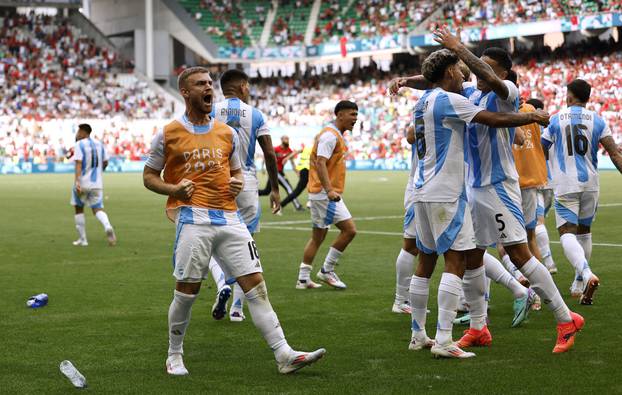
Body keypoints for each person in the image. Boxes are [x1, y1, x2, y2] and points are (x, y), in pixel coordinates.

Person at [142, 66, 325, 376]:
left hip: (230, 218)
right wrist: (173, 189)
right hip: (193, 219)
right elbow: (148, 176)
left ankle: (284, 354)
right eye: (200, 84)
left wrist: (238, 182)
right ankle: (174, 354)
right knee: (186, 292)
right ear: (185, 92)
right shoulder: (169, 133)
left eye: (210, 83)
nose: (208, 88)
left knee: (257, 286)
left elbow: (237, 171)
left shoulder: (226, 133)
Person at [432, 26, 583, 353]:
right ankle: (478, 327)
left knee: (519, 253)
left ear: (500, 72)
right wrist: (406, 82)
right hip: (474, 189)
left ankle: (564, 318)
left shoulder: (508, 91)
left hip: (500, 187)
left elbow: (491, 78)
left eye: (485, 67)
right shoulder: (471, 93)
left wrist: (459, 47)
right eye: (476, 67)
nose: (477, 72)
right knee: (472, 256)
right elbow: (440, 81)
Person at [406, 48, 551, 358]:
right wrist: (533, 116)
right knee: (457, 260)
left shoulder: (421, 103)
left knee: (425, 262)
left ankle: (418, 333)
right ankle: (444, 340)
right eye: (460, 70)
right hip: (446, 192)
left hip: (420, 191)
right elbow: (495, 118)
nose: (464, 75)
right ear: (448, 74)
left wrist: (405, 81)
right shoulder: (451, 100)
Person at [207, 69, 281, 323]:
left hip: (215, 182)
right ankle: (237, 309)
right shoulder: (257, 115)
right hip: (246, 182)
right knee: (246, 245)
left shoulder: (211, 111)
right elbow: (270, 154)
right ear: (242, 86)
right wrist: (274, 188)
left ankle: (222, 284)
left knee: (212, 242)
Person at [542, 78, 622, 305]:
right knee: (584, 232)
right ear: (587, 98)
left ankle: (586, 274)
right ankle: (578, 283)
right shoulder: (598, 120)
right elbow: (615, 153)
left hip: (566, 184)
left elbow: (542, 147)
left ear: (568, 96)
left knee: (567, 232)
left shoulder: (556, 120)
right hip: (591, 185)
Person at [296, 101, 358, 290]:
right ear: (339, 115)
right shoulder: (330, 136)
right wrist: (329, 189)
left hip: (322, 193)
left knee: (318, 237)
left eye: (356, 114)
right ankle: (326, 270)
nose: (355, 118)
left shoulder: (333, 134)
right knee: (349, 230)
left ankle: (303, 278)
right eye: (352, 114)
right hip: (325, 194)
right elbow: (321, 162)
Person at [526, 98, 559, 275]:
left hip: (533, 178)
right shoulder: (549, 125)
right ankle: (545, 260)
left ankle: (548, 262)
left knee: (535, 224)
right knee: (538, 222)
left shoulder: (527, 124)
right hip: (549, 180)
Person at [70, 123, 116, 247]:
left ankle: (83, 240)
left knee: (78, 208)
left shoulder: (79, 144)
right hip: (97, 183)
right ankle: (107, 226)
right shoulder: (100, 144)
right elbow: (105, 162)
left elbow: (78, 163)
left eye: (78, 132)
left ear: (84, 133)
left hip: (83, 182)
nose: (77, 134)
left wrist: (77, 181)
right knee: (97, 209)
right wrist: (100, 171)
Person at [392, 125, 417, 314]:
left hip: (446, 188)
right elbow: (410, 134)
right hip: (421, 187)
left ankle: (462, 299)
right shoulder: (428, 108)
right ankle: (400, 300)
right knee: (411, 245)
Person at [259, 135, 303, 211]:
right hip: (275, 171)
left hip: (280, 172)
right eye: (286, 139)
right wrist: (263, 167)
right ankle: (298, 206)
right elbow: (266, 156)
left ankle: (252, 192)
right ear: (281, 139)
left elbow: (292, 164)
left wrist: (297, 172)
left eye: (288, 139)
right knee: (288, 188)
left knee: (267, 191)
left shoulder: (289, 150)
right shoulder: (276, 149)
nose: (287, 140)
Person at [280, 144, 311, 210]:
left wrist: (287, 158)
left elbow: (296, 151)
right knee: (297, 191)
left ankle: (311, 202)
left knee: (313, 187)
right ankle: (280, 205)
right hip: (308, 171)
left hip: (304, 170)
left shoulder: (308, 147)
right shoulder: (316, 148)